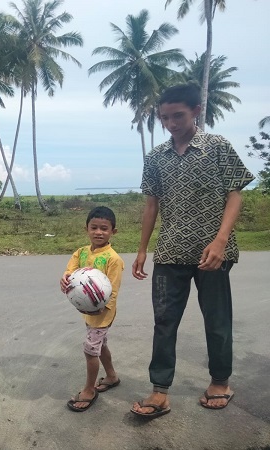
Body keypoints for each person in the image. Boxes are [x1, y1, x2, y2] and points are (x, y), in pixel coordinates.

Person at [131, 83, 255, 418]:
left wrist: (220, 240)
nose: (171, 123)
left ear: (196, 111)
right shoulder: (156, 157)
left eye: (178, 116)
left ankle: (220, 382)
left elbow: (235, 194)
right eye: (164, 118)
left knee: (216, 320)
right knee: (164, 321)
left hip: (213, 254)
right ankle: (159, 391)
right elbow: (151, 204)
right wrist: (142, 249)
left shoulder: (217, 147)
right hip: (170, 251)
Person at [60, 206, 124, 412]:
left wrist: (101, 309)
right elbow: (71, 269)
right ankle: (112, 376)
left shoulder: (113, 259)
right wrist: (66, 278)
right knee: (100, 346)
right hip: (89, 311)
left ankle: (89, 389)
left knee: (90, 351)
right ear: (86, 229)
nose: (98, 232)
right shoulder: (82, 252)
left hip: (101, 314)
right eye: (94, 227)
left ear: (113, 232)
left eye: (104, 228)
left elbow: (112, 290)